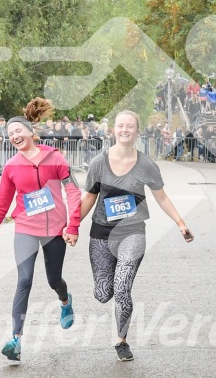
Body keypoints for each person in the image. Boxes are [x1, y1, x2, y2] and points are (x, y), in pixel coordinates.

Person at [80, 110, 194, 362]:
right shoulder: (99, 162)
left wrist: (180, 223)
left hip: (132, 232)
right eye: (120, 125)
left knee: (122, 287)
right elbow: (89, 196)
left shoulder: (146, 165)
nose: (124, 130)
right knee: (103, 293)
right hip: (101, 232)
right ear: (113, 130)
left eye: (129, 126)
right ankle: (106, 295)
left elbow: (161, 196)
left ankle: (121, 340)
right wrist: (71, 225)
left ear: (137, 131)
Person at [0, 98, 81, 362]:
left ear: (31, 132)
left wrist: (73, 225)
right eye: (10, 135)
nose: (14, 137)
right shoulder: (11, 167)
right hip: (25, 227)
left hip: (55, 228)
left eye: (18, 131)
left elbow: (73, 192)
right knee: (24, 280)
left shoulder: (54, 158)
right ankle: (16, 339)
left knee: (53, 280)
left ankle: (65, 300)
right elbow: (1, 205)